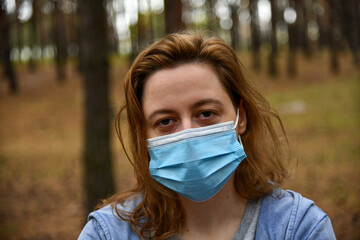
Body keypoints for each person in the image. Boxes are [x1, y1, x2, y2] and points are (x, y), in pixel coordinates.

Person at [78, 32, 336, 240]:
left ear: (240, 117)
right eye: (166, 121)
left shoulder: (301, 228)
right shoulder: (107, 233)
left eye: (206, 113)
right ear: (145, 135)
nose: (188, 133)